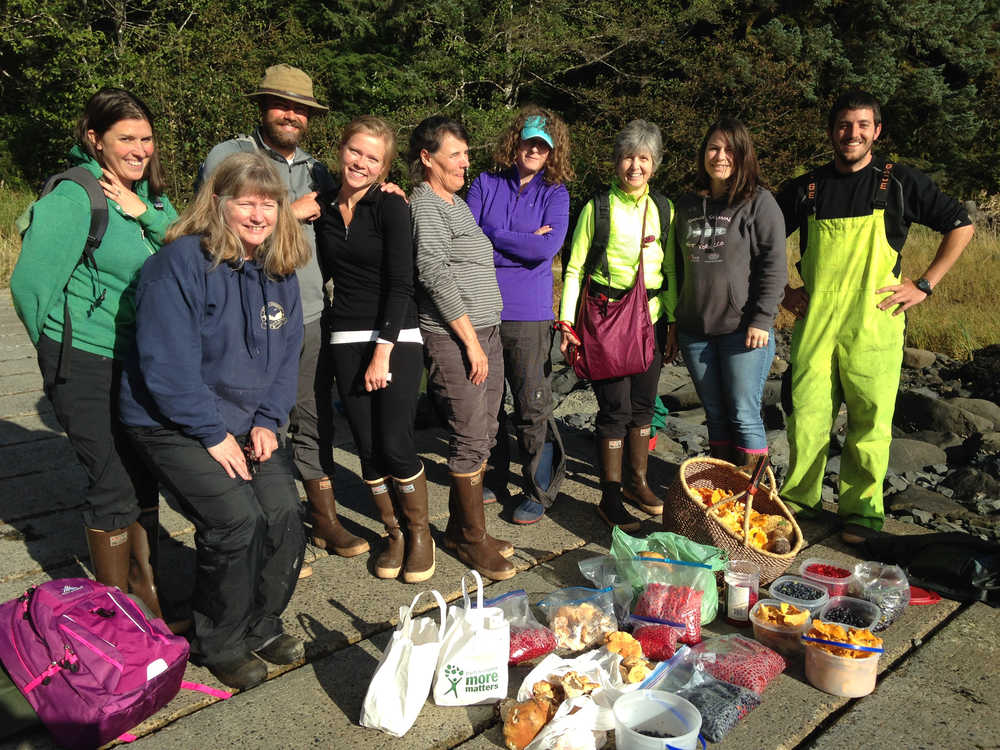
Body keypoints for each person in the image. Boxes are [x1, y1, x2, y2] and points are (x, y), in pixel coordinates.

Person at [119, 152, 310, 690]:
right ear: (217, 204)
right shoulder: (179, 264)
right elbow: (167, 368)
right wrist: (212, 434)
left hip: (248, 420)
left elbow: (285, 356)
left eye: (268, 203)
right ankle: (218, 640)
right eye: (244, 202)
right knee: (234, 519)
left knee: (282, 513)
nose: (258, 214)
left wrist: (269, 420)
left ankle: (260, 623)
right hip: (171, 420)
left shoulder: (281, 272)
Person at [776, 90, 974, 544]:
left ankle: (862, 512)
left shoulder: (899, 181)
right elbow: (759, 237)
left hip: (876, 323)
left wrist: (924, 285)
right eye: (844, 125)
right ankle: (801, 501)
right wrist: (784, 291)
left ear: (877, 131)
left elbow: (961, 225)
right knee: (806, 416)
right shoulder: (806, 187)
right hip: (816, 322)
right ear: (831, 132)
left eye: (863, 125)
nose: (853, 133)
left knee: (871, 421)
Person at [10, 87, 177, 622]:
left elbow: (185, 244)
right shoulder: (73, 197)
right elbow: (30, 286)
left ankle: (148, 594)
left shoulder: (149, 195)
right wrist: (59, 348)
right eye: (126, 138)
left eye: (146, 138)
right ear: (94, 139)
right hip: (82, 360)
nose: (139, 149)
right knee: (110, 483)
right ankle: (121, 618)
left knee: (141, 474)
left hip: (139, 361)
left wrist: (144, 212)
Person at [198, 64, 368, 571]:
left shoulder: (318, 169)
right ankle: (260, 524)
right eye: (282, 104)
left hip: (308, 313)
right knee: (249, 418)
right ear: (262, 107)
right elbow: (209, 226)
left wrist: (390, 194)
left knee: (312, 416)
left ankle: (322, 518)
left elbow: (351, 211)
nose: (291, 114)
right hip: (241, 315)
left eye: (301, 108)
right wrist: (289, 212)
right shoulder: (228, 157)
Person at [314, 117, 433, 583]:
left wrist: (383, 351)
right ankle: (394, 533)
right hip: (345, 336)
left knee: (396, 444)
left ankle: (419, 534)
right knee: (366, 447)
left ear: (384, 167)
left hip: (396, 337)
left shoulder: (390, 206)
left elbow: (403, 282)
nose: (360, 163)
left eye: (372, 158)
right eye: (355, 152)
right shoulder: (322, 206)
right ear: (341, 150)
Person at [409, 116, 516, 581]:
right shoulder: (424, 205)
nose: (465, 163)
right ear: (427, 159)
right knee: (470, 434)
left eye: (466, 154)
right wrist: (471, 343)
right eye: (456, 154)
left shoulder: (456, 204)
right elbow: (434, 275)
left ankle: (461, 528)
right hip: (455, 337)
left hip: (485, 331)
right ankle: (471, 540)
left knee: (487, 429)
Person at [558, 120, 677, 531]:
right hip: (605, 322)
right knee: (614, 411)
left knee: (643, 408)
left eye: (644, 158)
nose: (635, 166)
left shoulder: (664, 208)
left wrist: (673, 321)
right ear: (616, 160)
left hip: (653, 320)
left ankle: (637, 483)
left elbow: (672, 269)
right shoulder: (598, 207)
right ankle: (609, 497)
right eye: (628, 156)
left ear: (655, 164)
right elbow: (573, 270)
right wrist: (566, 324)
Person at [466, 106, 572, 525]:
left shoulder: (556, 192)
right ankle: (495, 475)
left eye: (542, 146)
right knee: (487, 403)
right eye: (529, 141)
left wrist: (496, 237)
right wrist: (517, 240)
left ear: (551, 152)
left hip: (529, 314)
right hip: (483, 307)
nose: (534, 149)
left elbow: (544, 250)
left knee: (531, 404)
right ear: (516, 140)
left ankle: (538, 488)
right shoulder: (485, 182)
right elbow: (469, 241)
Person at [673, 118, 786, 469]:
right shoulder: (687, 204)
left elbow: (774, 265)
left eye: (729, 150)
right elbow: (676, 266)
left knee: (743, 412)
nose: (720, 156)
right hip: (695, 331)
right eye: (713, 148)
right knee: (716, 414)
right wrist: (676, 320)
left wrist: (762, 320)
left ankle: (754, 501)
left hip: (744, 331)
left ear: (743, 155)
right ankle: (723, 495)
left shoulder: (758, 202)